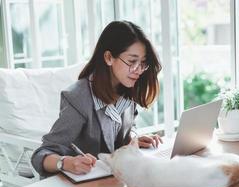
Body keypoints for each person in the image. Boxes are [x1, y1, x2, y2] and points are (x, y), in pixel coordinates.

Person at [31, 21, 163, 178]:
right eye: (132, 61)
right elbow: (41, 154)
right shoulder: (78, 98)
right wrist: (67, 162)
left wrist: (133, 140)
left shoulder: (127, 88)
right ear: (108, 57)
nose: (138, 70)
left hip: (115, 180)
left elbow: (122, 132)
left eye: (143, 63)